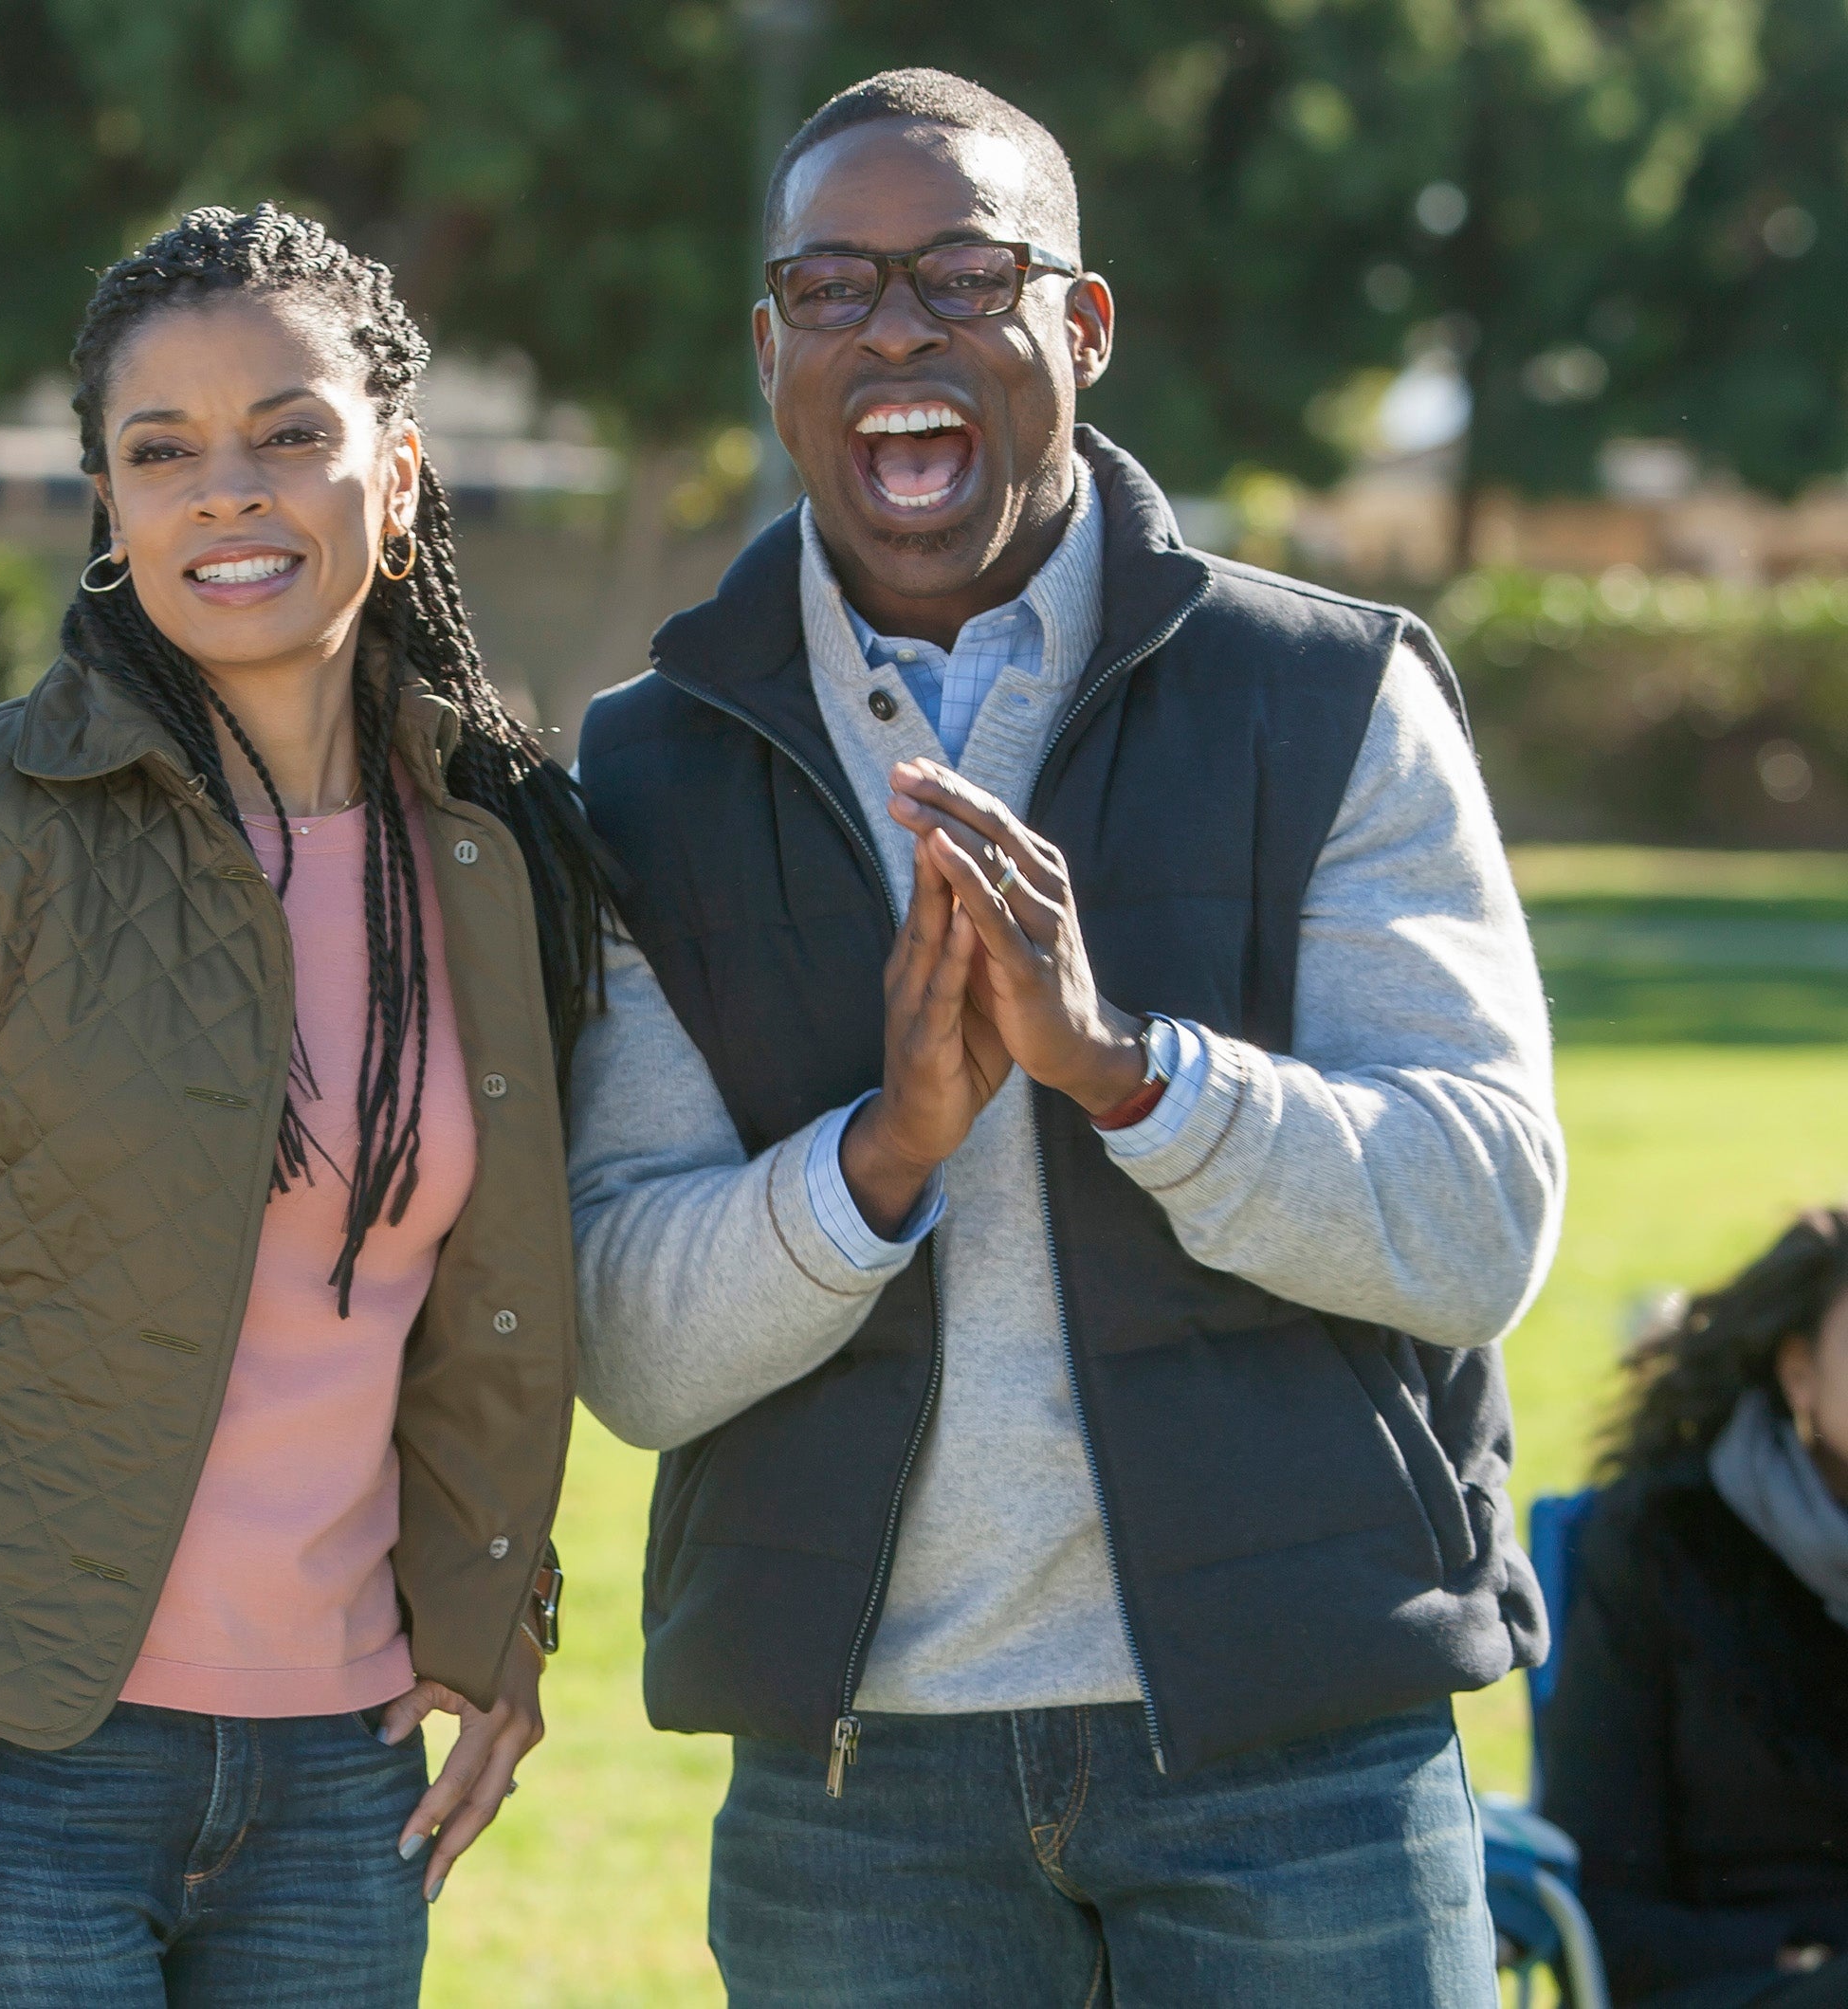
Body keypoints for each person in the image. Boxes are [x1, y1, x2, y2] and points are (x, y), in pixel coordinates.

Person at [566, 68, 1566, 2007]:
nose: (899, 331)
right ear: (771, 348)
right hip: (858, 1786)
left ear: (1081, 326)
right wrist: (887, 1155)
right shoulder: (651, 767)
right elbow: (626, 1336)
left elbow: (1479, 1224)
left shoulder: (1329, 696)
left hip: (1302, 1752)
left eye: (962, 271)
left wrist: (1129, 1074)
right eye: (836, 288)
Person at [0, 205, 602, 2009]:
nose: (227, 493)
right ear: (109, 504)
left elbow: (494, 1299)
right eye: (163, 453)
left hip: (336, 1776)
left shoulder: (497, 849)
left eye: (290, 436)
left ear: (397, 477)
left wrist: (501, 1610)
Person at [1546, 1212, 1848, 2008]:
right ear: (1799, 1372)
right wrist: (1789, 1960)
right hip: (1736, 1980)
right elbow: (1600, 1888)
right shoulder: (1665, 1543)